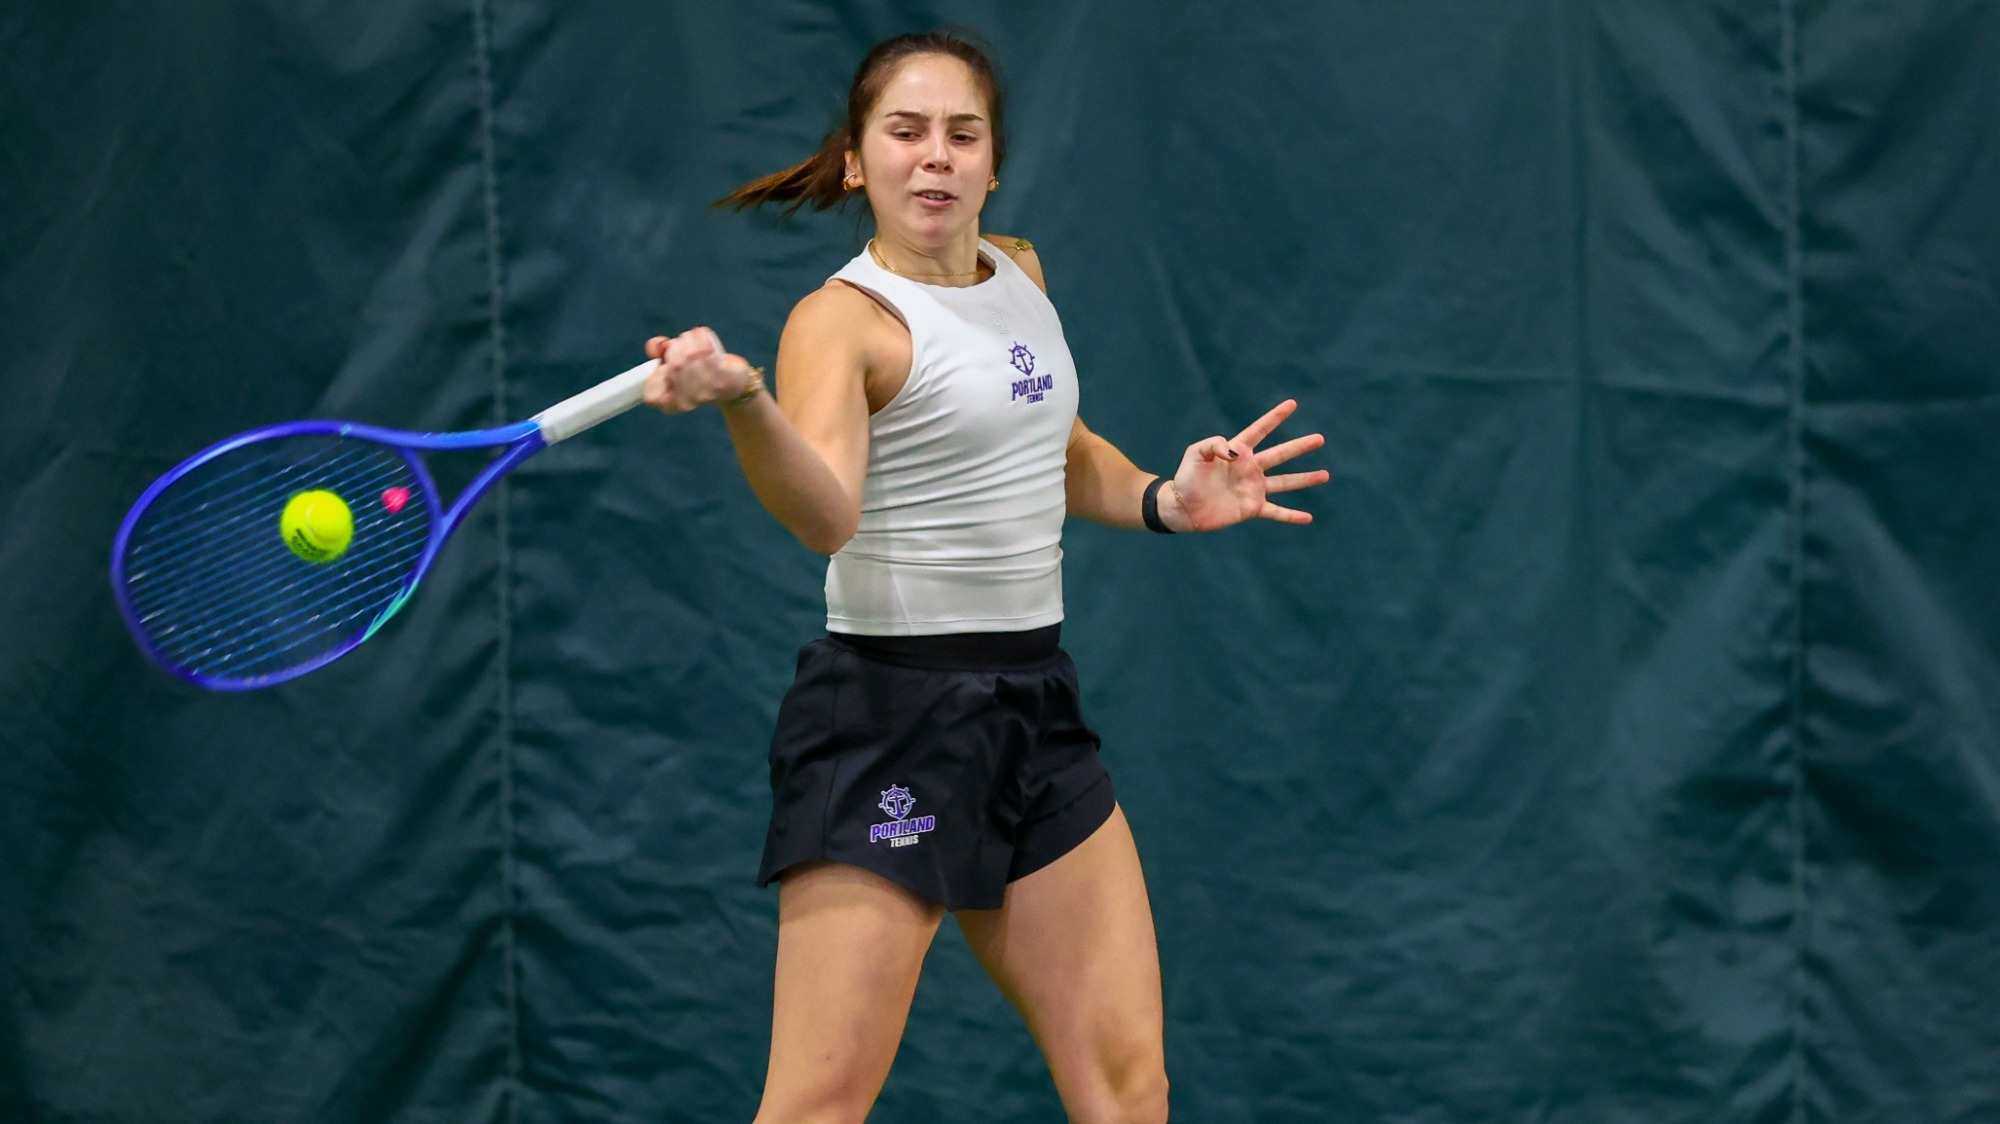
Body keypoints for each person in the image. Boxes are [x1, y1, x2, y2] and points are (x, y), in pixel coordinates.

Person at [638, 30, 1327, 1124]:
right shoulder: (841, 320)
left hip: (1032, 710)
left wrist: (1161, 495)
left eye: (961, 134)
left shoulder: (1019, 272)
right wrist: (744, 401)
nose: (935, 157)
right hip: (886, 719)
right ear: (858, 160)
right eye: (904, 133)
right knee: (817, 1101)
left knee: (1125, 1084)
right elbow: (826, 511)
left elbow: (1049, 444)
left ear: (992, 160)